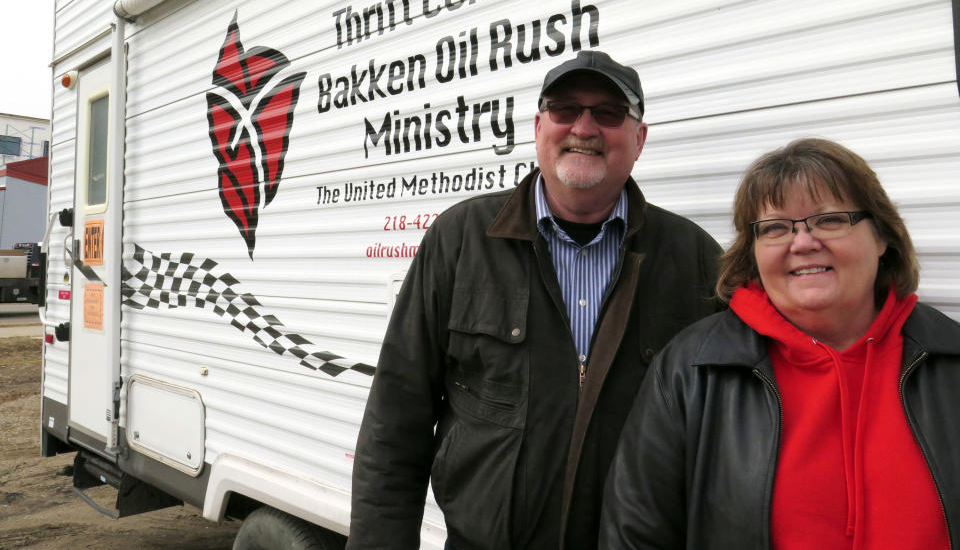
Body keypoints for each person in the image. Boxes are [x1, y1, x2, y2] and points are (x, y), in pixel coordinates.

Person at [347, 50, 723, 550]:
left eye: (609, 114)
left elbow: (726, 435)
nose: (584, 127)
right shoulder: (461, 239)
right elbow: (396, 421)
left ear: (639, 139)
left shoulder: (694, 258)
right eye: (565, 109)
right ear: (538, 126)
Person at [600, 138, 960, 549]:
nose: (803, 242)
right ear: (752, 253)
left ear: (882, 237)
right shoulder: (691, 369)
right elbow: (635, 536)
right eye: (774, 228)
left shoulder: (950, 359)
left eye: (829, 220)